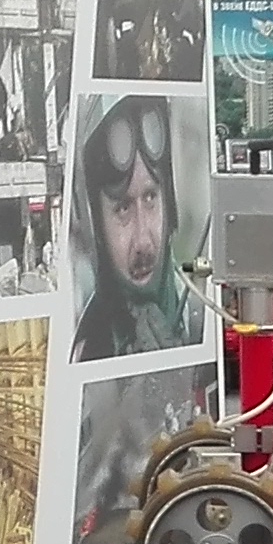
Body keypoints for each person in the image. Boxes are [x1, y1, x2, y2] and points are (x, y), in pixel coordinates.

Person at [73, 95, 195, 357]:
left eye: (150, 198)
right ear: (96, 227)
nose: (143, 241)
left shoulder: (201, 317)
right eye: (123, 209)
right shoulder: (84, 349)